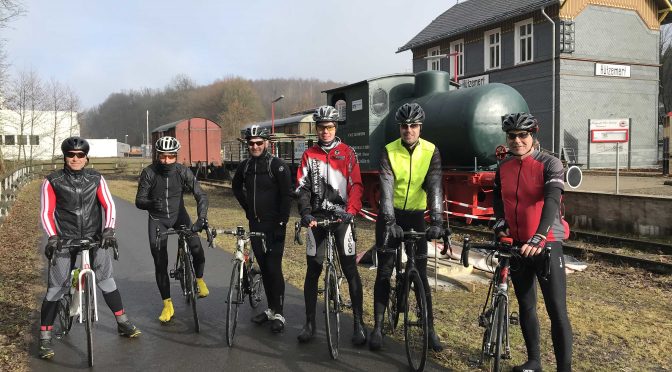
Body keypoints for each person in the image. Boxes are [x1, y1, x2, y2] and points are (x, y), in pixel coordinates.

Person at [38, 137, 140, 359]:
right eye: (71, 155)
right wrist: (53, 237)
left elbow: (108, 204)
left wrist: (109, 230)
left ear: (86, 158)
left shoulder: (96, 178)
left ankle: (122, 322)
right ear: (65, 157)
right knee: (56, 288)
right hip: (64, 239)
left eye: (80, 155)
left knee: (106, 280)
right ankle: (45, 337)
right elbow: (46, 212)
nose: (75, 159)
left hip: (96, 237)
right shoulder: (53, 180)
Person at [493, 112, 573, 372]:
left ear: (533, 136)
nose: (517, 140)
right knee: (526, 307)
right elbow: (498, 199)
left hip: (547, 244)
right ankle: (534, 361)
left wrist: (540, 236)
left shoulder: (550, 163)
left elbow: (552, 200)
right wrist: (500, 221)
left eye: (523, 135)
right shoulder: (503, 167)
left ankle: (564, 369)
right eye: (512, 136)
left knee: (557, 311)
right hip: (517, 246)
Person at [370, 102, 445, 352]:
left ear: (420, 127)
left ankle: (430, 330)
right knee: (385, 271)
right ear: (399, 127)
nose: (408, 130)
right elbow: (387, 187)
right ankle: (378, 327)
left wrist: (436, 221)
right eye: (404, 126)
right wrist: (390, 221)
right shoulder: (389, 151)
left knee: (421, 276)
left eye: (413, 126)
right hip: (390, 216)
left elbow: (434, 184)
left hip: (415, 215)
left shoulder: (431, 150)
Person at [295, 105, 367, 345]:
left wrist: (351, 211)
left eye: (329, 127)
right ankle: (309, 324)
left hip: (341, 219)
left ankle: (358, 324)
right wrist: (305, 213)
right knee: (313, 270)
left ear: (335, 128)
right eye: (321, 127)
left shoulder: (347, 152)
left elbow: (356, 185)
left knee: (350, 270)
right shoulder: (309, 155)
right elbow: (302, 187)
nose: (325, 131)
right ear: (316, 129)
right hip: (316, 219)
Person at [135, 136, 209, 323]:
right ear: (157, 155)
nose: (166, 161)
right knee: (160, 263)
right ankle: (167, 304)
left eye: (170, 157)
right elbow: (139, 200)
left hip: (179, 216)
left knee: (196, 249)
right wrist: (151, 203)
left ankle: (199, 280)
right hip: (157, 220)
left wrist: (202, 219)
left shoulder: (182, 171)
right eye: (163, 157)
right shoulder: (149, 173)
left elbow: (201, 195)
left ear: (176, 156)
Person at [232, 125, 292, 333]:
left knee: (274, 268)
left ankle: (280, 314)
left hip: (275, 226)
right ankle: (270, 309)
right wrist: (247, 208)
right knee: (265, 269)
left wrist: (282, 223)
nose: (255, 146)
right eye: (251, 143)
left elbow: (287, 196)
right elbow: (236, 187)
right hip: (256, 224)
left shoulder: (278, 166)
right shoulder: (245, 166)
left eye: (259, 142)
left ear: (266, 143)